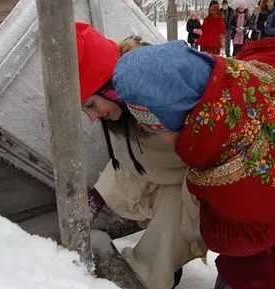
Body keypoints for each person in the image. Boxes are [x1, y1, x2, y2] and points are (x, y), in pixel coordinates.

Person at [111, 33, 275, 289]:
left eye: (161, 130)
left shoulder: (249, 178)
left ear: (184, 118)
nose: (164, 140)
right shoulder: (251, 69)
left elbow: (227, 239)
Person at [75, 22, 208, 289]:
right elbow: (129, 161)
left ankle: (150, 280)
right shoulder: (119, 113)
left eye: (91, 104)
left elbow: (202, 157)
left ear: (108, 88)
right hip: (171, 182)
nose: (91, 117)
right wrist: (95, 199)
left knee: (171, 221)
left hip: (201, 186)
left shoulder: (160, 104)